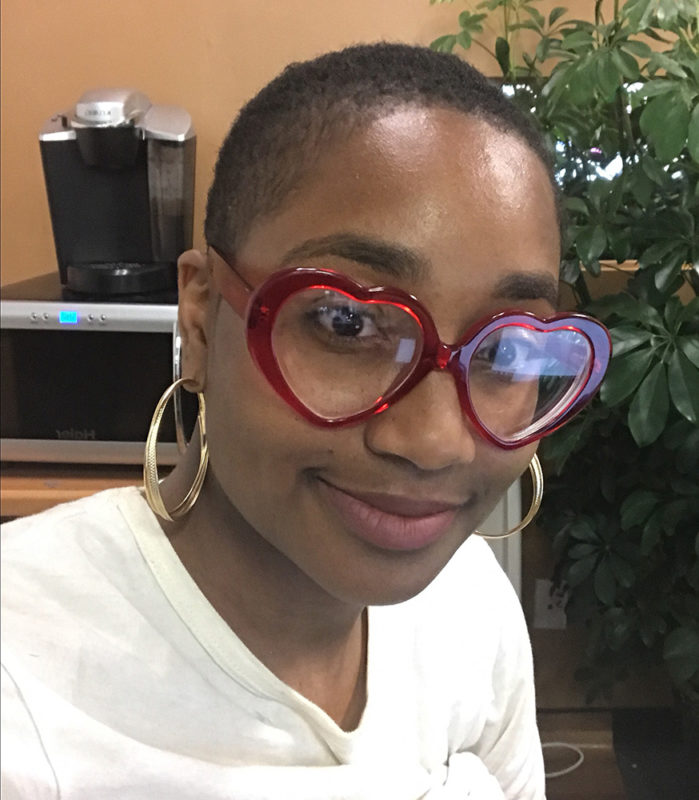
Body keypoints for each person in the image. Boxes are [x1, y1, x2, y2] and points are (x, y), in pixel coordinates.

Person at [1, 43, 610, 799]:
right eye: (346, 322)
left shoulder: (469, 604)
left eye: (508, 347)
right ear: (196, 317)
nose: (435, 443)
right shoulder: (24, 688)